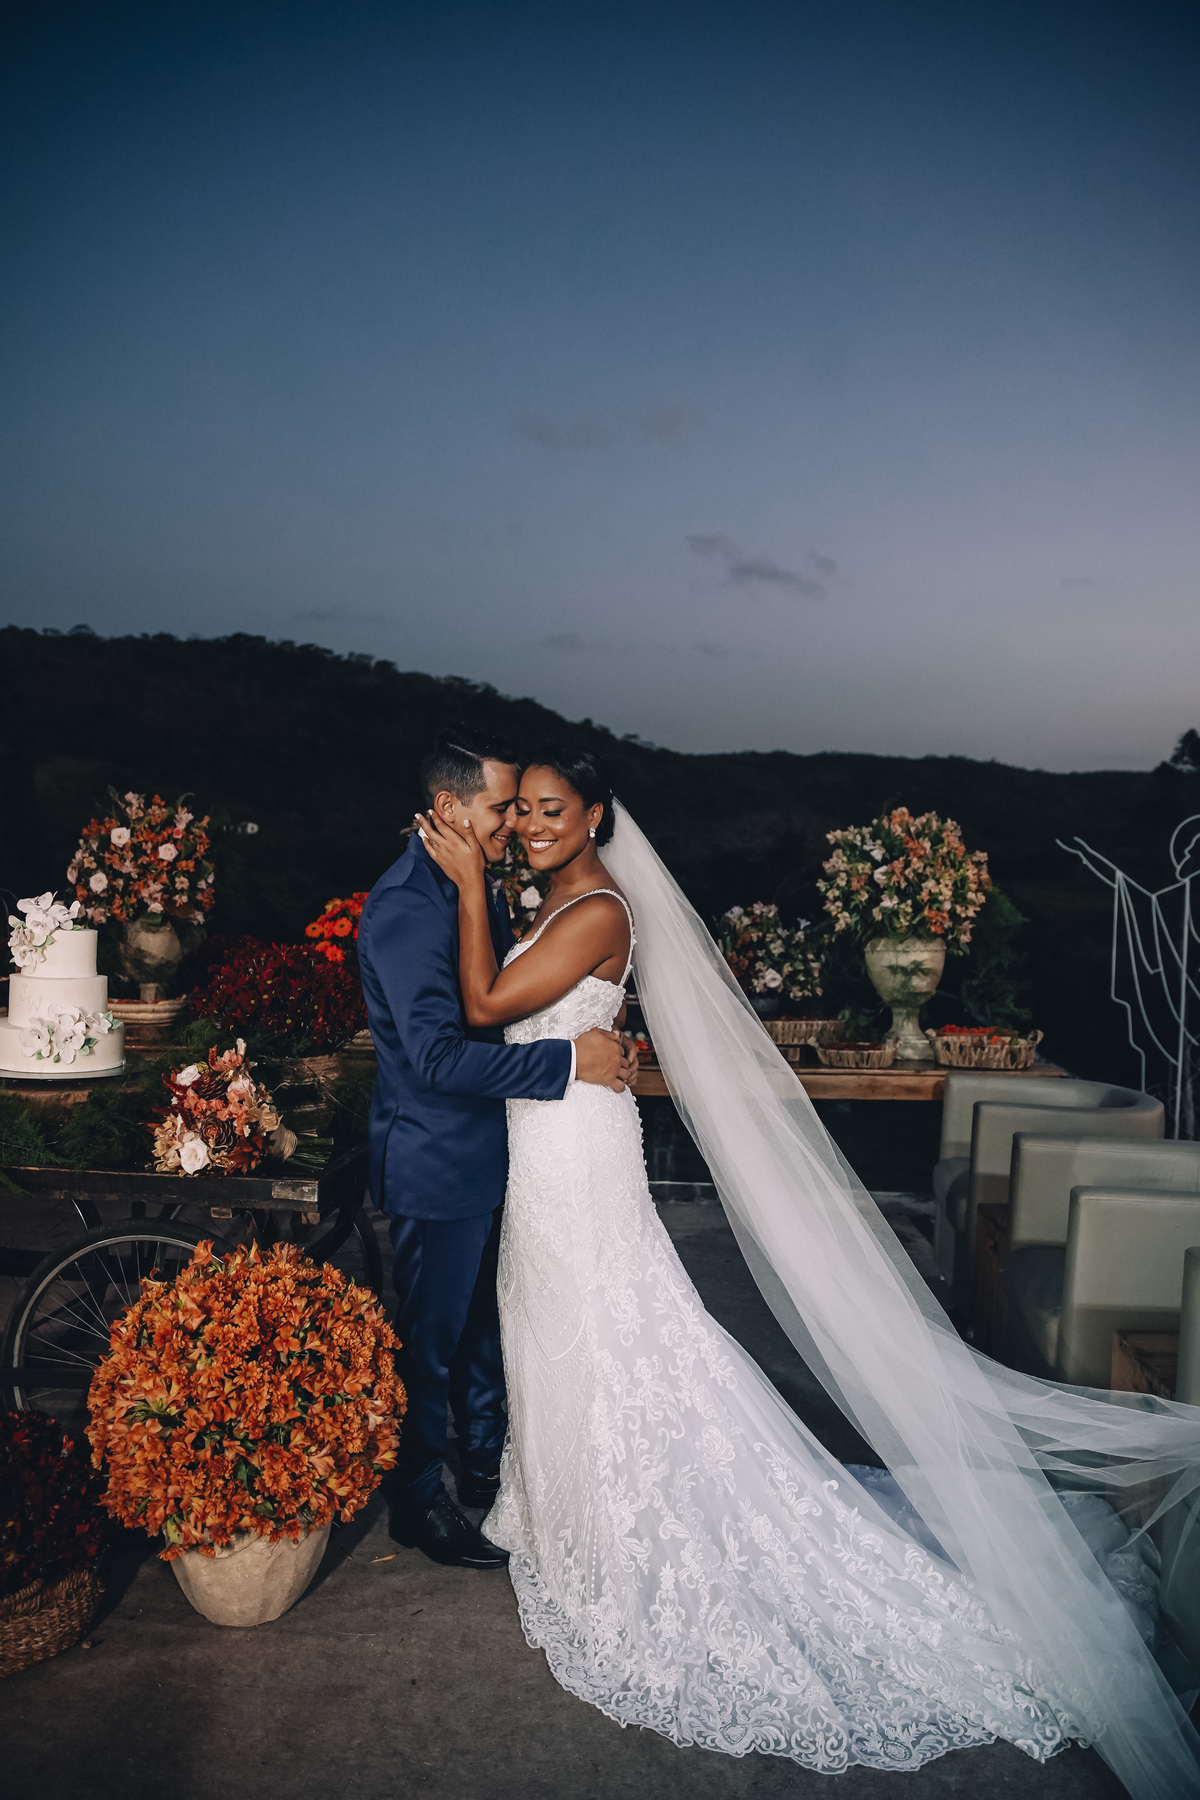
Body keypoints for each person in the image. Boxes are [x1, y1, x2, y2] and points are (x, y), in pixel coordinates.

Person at [418, 748, 1200, 1796]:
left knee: (607, 1330)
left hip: (574, 1160)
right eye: (522, 810)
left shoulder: (598, 908)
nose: (532, 824)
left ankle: (621, 1523)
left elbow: (482, 1004)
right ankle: (562, 1514)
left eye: (553, 809)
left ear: (597, 815)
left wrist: (467, 878)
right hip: (547, 1146)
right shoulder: (555, 899)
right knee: (558, 1325)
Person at [357, 727, 637, 1570]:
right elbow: (440, 1057)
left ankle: (484, 1465)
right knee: (432, 1340)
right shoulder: (408, 904)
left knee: (486, 1329)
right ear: (449, 808)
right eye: (503, 807)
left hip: (505, 1149)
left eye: (528, 809)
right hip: (438, 1157)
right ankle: (417, 1502)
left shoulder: (469, 882)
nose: (514, 824)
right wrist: (571, 1059)